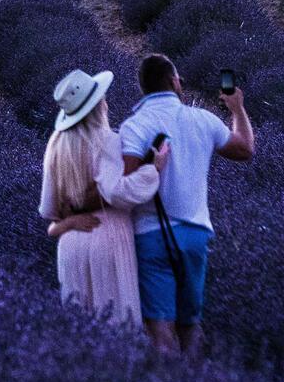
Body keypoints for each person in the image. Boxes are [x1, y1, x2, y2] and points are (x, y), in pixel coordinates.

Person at [117, 54, 254, 355]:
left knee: (159, 326)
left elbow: (127, 185)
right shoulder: (202, 120)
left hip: (151, 235)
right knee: (190, 324)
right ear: (173, 82)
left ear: (143, 88)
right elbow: (245, 148)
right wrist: (238, 108)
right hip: (194, 235)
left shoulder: (134, 126)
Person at [40, 68, 167, 327]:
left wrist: (68, 223)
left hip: (71, 245)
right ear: (99, 107)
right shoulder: (107, 141)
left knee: (81, 328)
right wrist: (152, 170)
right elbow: (119, 192)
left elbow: (49, 208)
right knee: (119, 323)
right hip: (108, 236)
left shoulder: (55, 147)